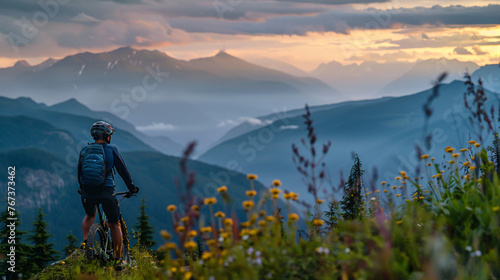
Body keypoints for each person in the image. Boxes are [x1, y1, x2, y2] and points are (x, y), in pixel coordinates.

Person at [78, 121, 139, 265]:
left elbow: (79, 173)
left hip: (87, 192)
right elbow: (123, 171)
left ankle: (86, 243)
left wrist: (82, 188)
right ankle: (118, 259)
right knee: (114, 223)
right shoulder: (111, 149)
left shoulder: (85, 150)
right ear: (107, 135)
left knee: (89, 215)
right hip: (106, 191)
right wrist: (131, 188)